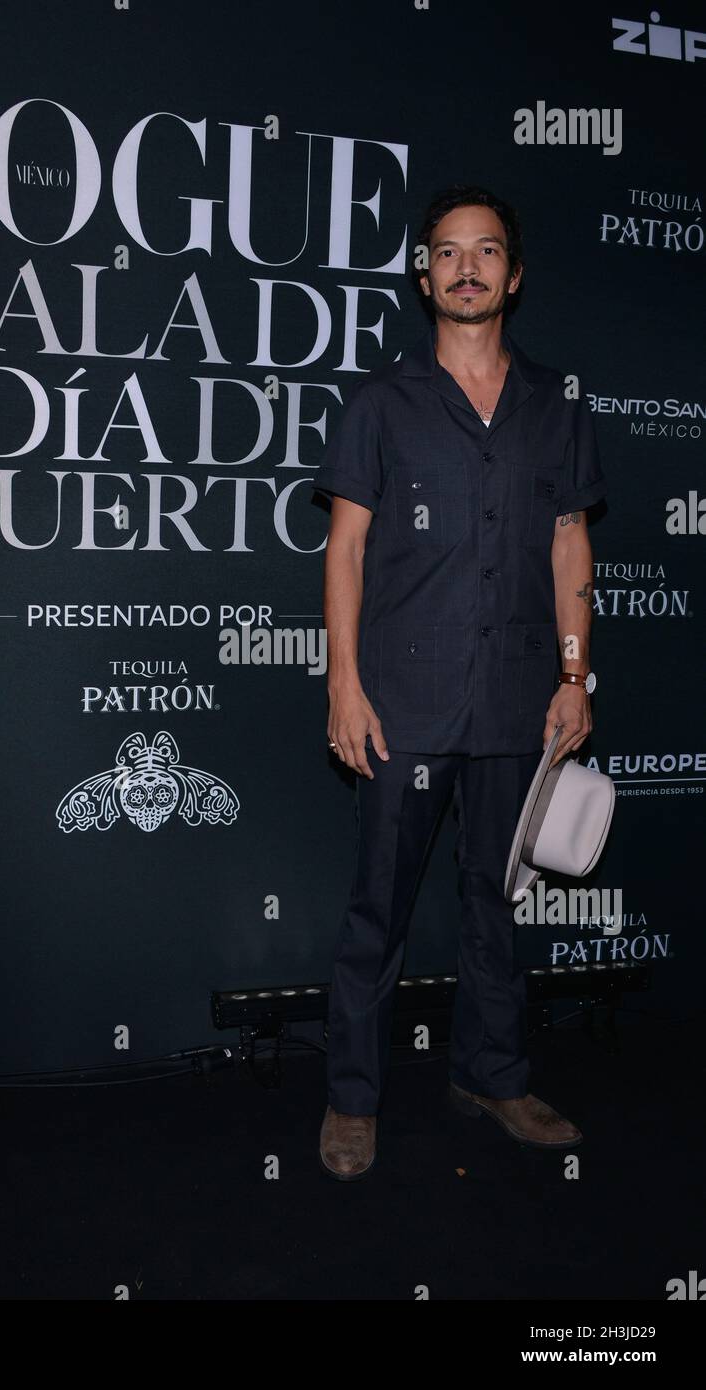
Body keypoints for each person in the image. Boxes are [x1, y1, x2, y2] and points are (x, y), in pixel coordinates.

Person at [312, 184, 606, 1181]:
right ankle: (353, 1097)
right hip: (404, 700)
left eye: (486, 252)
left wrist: (574, 675)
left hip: (520, 697)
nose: (467, 268)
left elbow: (572, 547)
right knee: (378, 909)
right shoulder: (382, 405)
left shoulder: (557, 403)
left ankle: (493, 1072)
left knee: (496, 900)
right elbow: (345, 549)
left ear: (513, 276)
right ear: (423, 273)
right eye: (448, 252)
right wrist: (343, 685)